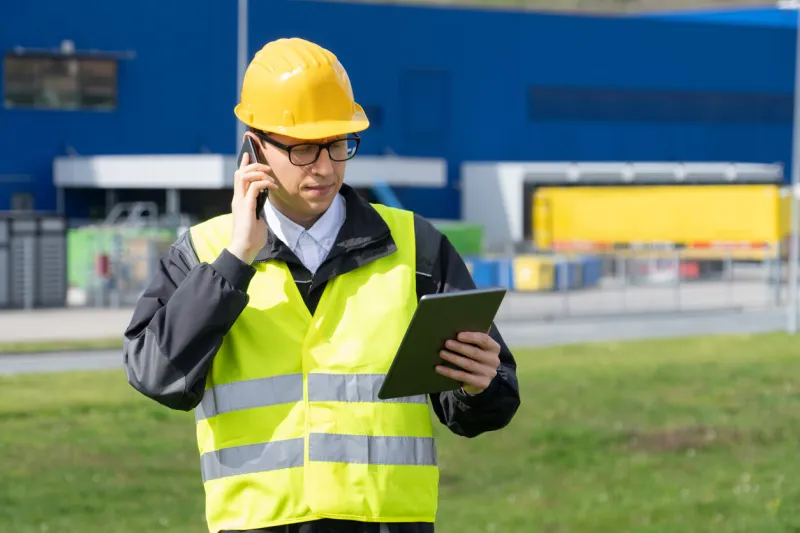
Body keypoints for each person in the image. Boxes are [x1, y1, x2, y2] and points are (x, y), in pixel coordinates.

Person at [122, 37, 520, 533]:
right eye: (304, 148)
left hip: (387, 524)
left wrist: (479, 386)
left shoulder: (417, 246)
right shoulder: (204, 253)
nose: (326, 167)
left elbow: (486, 402)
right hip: (258, 524)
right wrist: (234, 261)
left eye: (338, 143)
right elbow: (156, 376)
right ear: (255, 146)